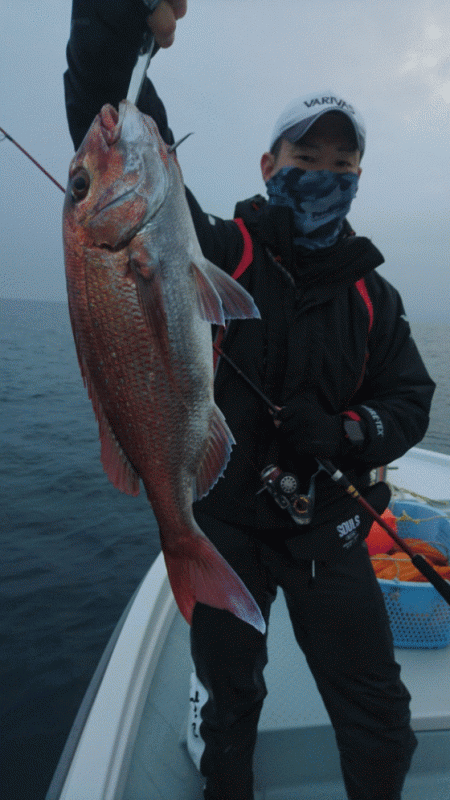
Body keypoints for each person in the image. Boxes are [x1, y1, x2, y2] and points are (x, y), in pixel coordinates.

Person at [64, 2, 436, 798]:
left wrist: (346, 431)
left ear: (359, 178)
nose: (325, 174)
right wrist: (114, 18)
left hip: (333, 531)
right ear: (269, 165)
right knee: (228, 705)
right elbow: (110, 110)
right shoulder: (218, 246)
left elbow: (410, 400)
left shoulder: (378, 297)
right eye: (308, 153)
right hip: (227, 520)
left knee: (378, 713)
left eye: (342, 163)